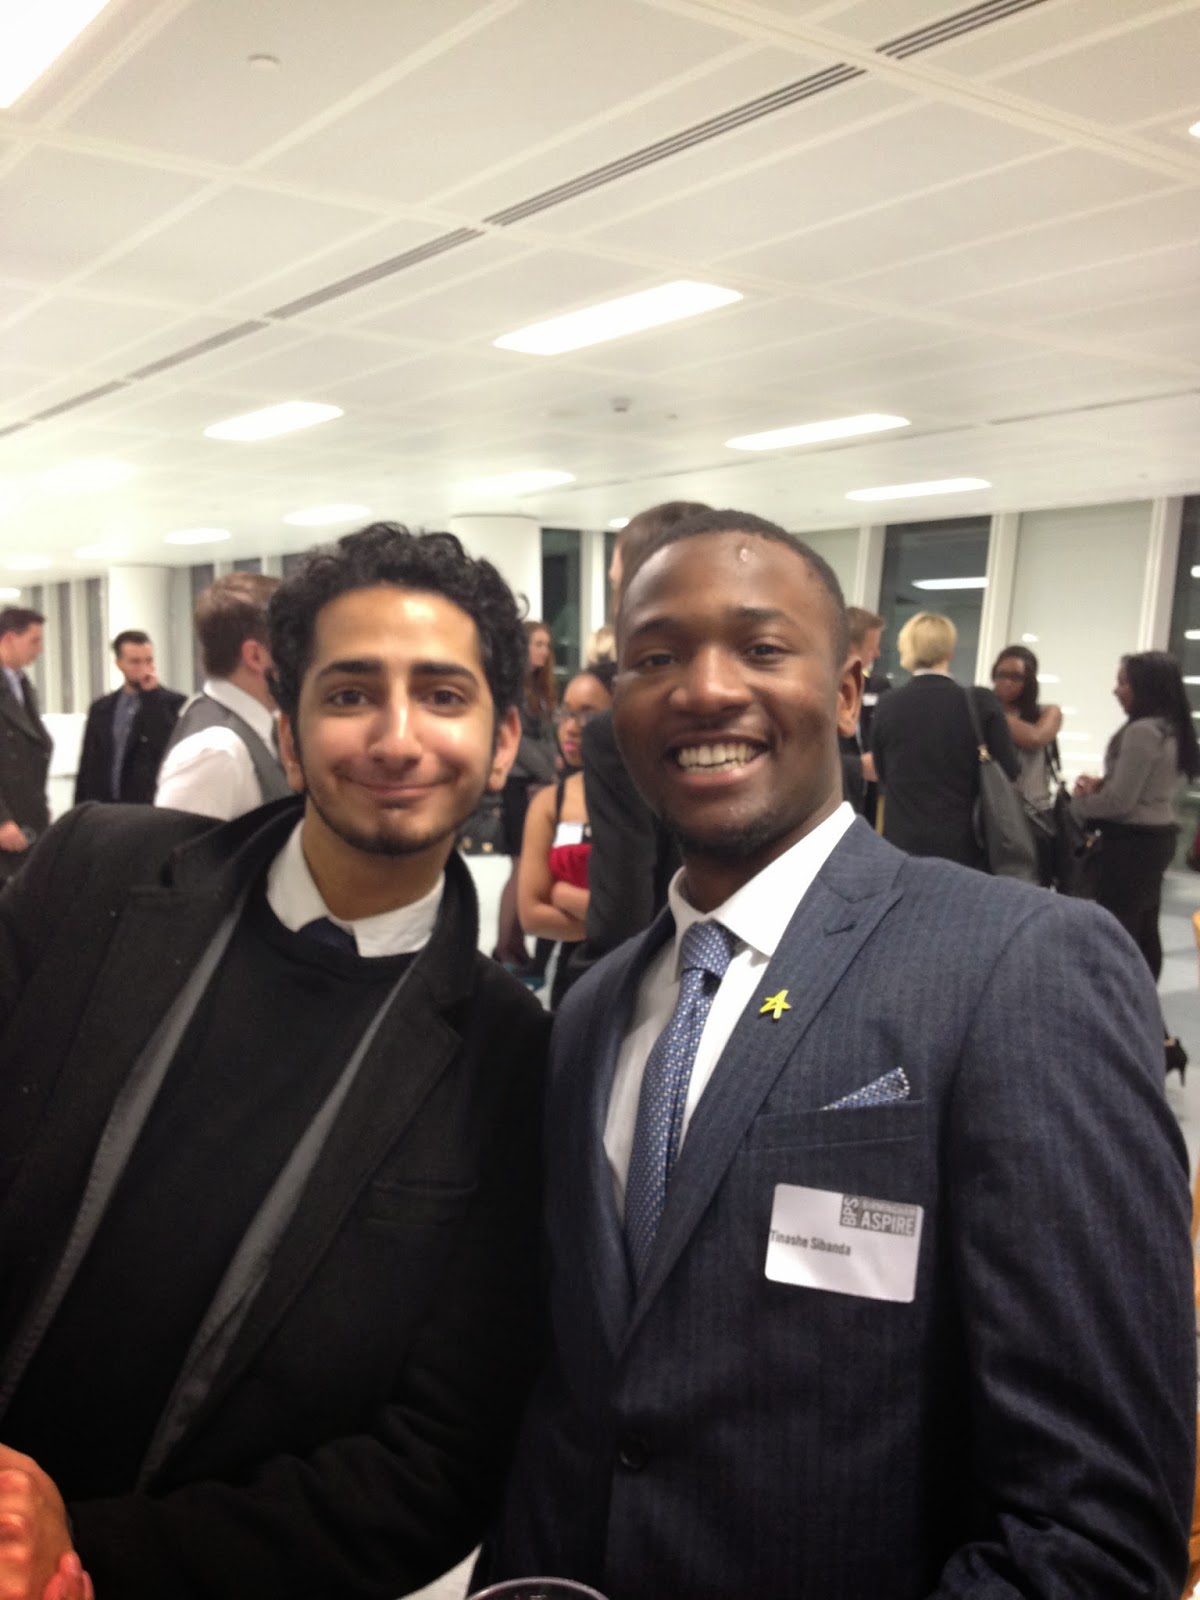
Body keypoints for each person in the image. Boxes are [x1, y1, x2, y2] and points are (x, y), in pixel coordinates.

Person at [482, 508, 1194, 1599]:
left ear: (851, 693)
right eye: (654, 659)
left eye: (762, 648)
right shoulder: (591, 1014)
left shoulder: (1017, 963)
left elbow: (1096, 1526)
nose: (705, 689)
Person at [0, 525, 549, 1600]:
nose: (396, 737)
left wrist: (89, 1554)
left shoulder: (511, 1060)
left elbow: (435, 1462)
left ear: (502, 743)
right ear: (288, 737)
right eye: (350, 694)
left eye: (443, 695)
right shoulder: (95, 874)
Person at [560, 502, 709, 999]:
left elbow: (623, 902)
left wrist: (588, 1003)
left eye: (615, 583)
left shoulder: (622, 729)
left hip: (664, 984)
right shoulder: (762, 711)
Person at [1072, 650, 1200, 1076]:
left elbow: (1121, 803)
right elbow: (1141, 790)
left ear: (1144, 686)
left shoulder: (1143, 732)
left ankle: (1134, 1037)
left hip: (1129, 846)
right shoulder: (1172, 729)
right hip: (1156, 841)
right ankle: (1157, 1040)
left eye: (1123, 682)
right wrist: (1104, 785)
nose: (1116, 690)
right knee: (1143, 936)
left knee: (1119, 939)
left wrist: (1077, 804)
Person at [870, 609, 1019, 869]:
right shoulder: (979, 703)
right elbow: (1010, 770)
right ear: (950, 652)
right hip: (965, 850)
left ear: (908, 649)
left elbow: (882, 773)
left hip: (900, 848)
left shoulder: (887, 704)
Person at [517, 664, 614, 1008]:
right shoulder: (550, 802)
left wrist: (565, 895)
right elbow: (531, 914)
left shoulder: (651, 798)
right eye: (566, 713)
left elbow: (657, 915)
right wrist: (616, 925)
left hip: (643, 975)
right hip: (573, 979)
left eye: (588, 714)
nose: (571, 727)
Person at [155, 572, 289, 818]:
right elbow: (175, 843)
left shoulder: (263, 727)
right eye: (292, 645)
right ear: (256, 656)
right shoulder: (215, 752)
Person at [492, 620, 559, 978]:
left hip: (539, 784)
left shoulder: (540, 689)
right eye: (537, 644)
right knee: (521, 868)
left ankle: (512, 946)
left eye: (547, 645)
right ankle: (507, 947)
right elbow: (516, 742)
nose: (544, 651)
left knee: (528, 867)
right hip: (519, 787)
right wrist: (550, 771)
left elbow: (547, 739)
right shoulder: (513, 690)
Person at [73, 631, 185, 805]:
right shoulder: (101, 708)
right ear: (119, 664)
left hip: (149, 806)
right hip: (105, 806)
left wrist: (151, 697)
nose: (144, 668)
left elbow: (166, 746)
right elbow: (87, 764)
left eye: (149, 660)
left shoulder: (173, 704)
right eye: (135, 661)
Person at [990, 644, 1063, 886]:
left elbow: (1034, 737)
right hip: (994, 815)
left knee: (1032, 887)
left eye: (1016, 677)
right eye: (1001, 675)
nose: (1006, 683)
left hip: (1033, 816)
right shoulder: (984, 712)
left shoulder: (1048, 712)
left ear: (1029, 680)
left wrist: (991, 713)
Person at [0, 607, 50, 883]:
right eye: (34, 641)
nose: (40, 649)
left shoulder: (22, 686)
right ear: (9, 638)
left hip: (27, 815)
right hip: (7, 819)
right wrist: (1, 820)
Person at [838, 605, 888, 817]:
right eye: (871, 647)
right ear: (851, 648)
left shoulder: (874, 686)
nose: (877, 653)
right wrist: (857, 766)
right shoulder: (817, 691)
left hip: (864, 802)